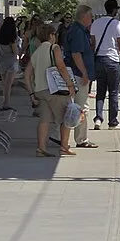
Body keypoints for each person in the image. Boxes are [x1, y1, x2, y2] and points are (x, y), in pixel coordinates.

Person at [26, 21, 79, 158]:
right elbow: (61, 66)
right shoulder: (54, 48)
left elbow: (27, 74)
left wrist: (32, 93)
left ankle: (41, 148)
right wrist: (70, 85)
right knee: (67, 117)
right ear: (51, 35)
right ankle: (64, 147)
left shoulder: (36, 52)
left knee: (45, 119)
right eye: (54, 34)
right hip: (54, 91)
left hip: (40, 91)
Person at [60, 5, 97, 148]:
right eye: (91, 16)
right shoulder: (78, 32)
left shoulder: (78, 30)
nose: (92, 19)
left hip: (76, 73)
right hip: (78, 74)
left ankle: (75, 137)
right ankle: (81, 138)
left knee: (76, 106)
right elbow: (76, 54)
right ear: (84, 17)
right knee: (80, 106)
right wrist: (84, 72)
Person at [90, 0, 120, 130]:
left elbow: (92, 44)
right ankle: (113, 122)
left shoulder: (96, 23)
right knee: (113, 92)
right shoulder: (117, 24)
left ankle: (98, 119)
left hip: (99, 60)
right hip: (112, 60)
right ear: (114, 10)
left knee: (100, 91)